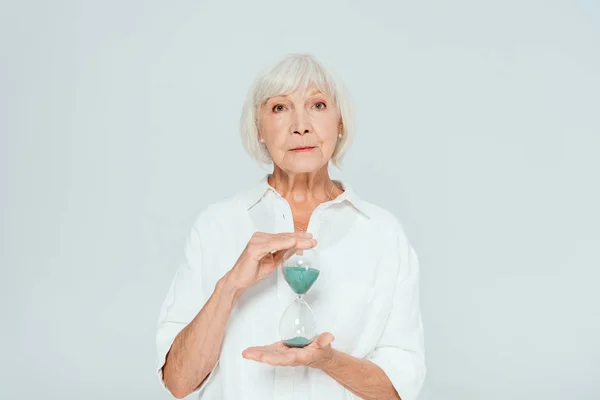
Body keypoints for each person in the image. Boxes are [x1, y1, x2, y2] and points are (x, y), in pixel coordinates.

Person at [155, 53, 426, 400]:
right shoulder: (217, 225)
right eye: (280, 108)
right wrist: (231, 285)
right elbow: (178, 382)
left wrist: (328, 360)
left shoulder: (382, 233)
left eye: (318, 105)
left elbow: (398, 389)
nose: (301, 125)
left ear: (340, 122)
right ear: (259, 129)